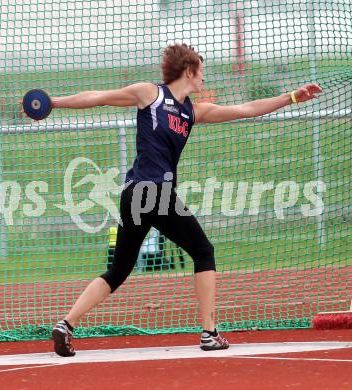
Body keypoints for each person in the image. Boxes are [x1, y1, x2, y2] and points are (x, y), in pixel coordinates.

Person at [47, 43, 322, 356]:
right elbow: (97, 97)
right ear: (189, 72)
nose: (203, 78)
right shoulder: (149, 93)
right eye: (201, 72)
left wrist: (292, 97)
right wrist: (52, 102)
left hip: (133, 193)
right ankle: (209, 332)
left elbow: (247, 109)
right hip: (154, 192)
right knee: (203, 251)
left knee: (119, 269)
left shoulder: (193, 110)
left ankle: (66, 324)